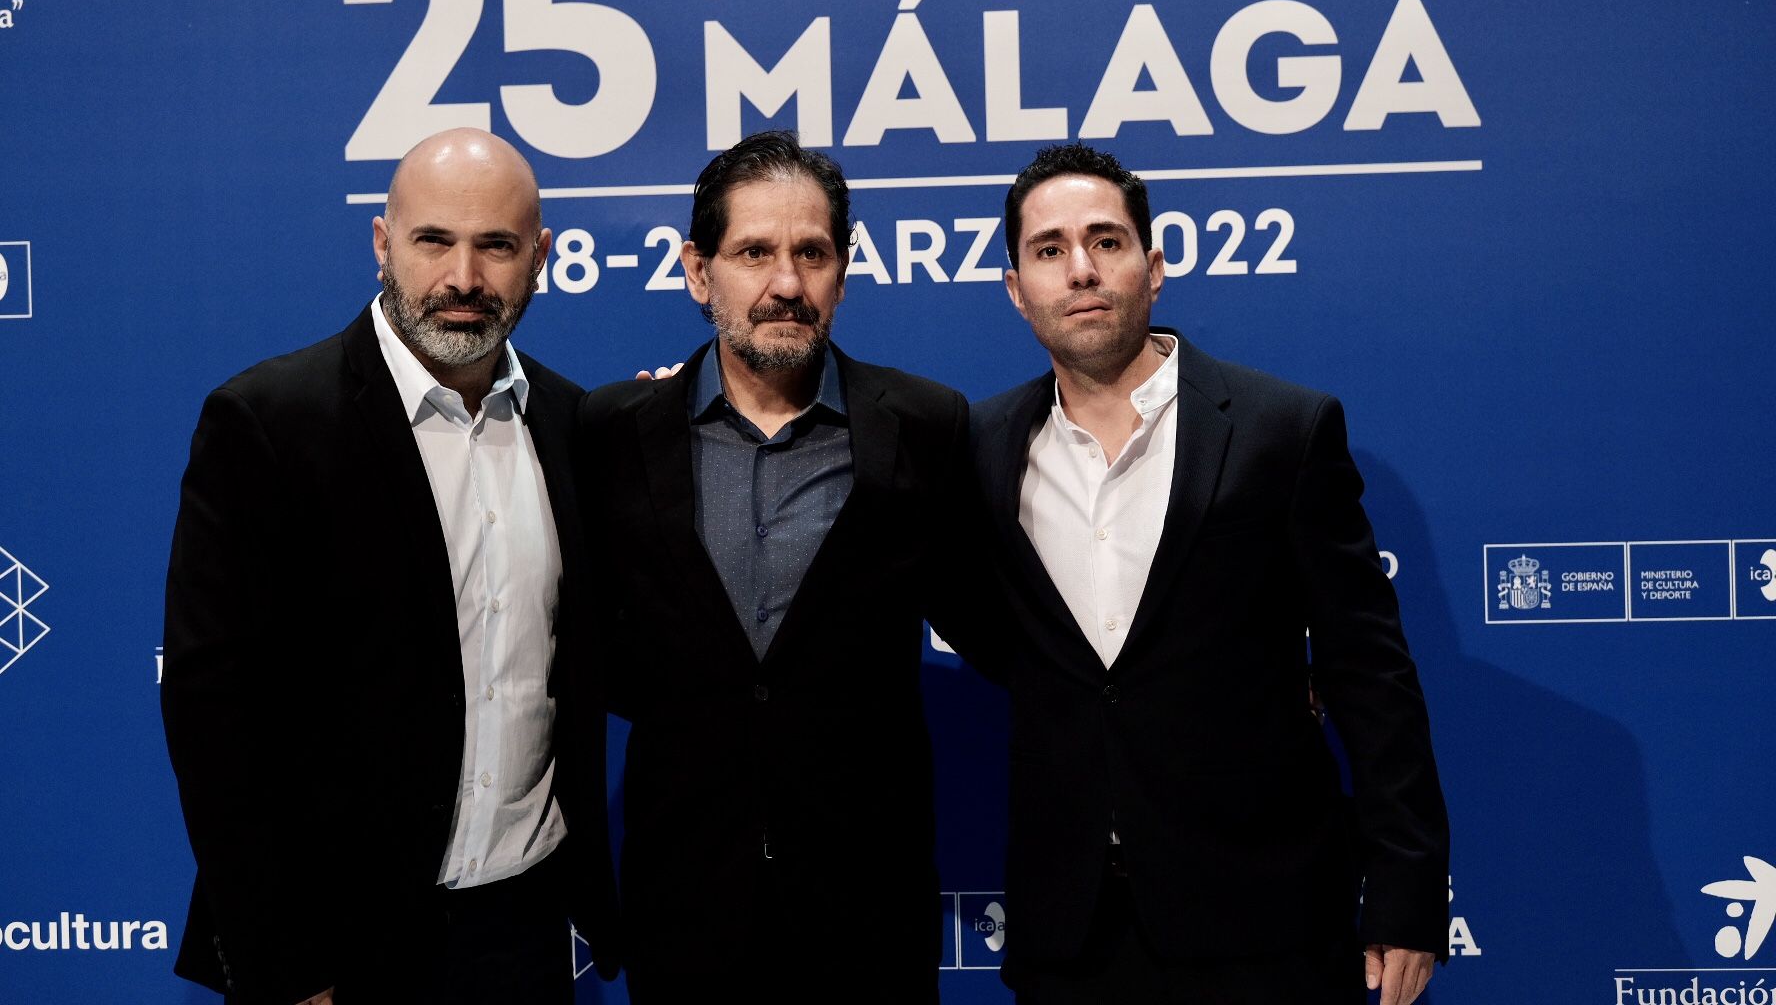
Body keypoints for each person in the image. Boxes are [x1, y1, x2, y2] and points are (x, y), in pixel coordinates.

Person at [971, 143, 1448, 1005]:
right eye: (1049, 251)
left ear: (1153, 268)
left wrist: (1408, 889)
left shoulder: (1281, 429)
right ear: (1016, 288)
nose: (1080, 270)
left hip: (1266, 921)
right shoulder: (979, 446)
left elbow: (1369, 673)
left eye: (1105, 242)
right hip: (1071, 934)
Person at [160, 129, 617, 1004]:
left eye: (497, 246)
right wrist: (288, 967)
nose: (464, 279)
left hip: (523, 932)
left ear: (541, 258)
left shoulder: (574, 423)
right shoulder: (267, 423)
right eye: (433, 240)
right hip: (337, 944)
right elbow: (213, 721)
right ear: (382, 244)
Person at [568, 129, 995, 1003]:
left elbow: (1000, 622)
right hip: (681, 895)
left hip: (867, 905)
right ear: (699, 272)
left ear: (843, 268)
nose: (787, 285)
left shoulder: (925, 424)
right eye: (754, 252)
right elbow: (583, 646)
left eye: (812, 253)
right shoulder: (612, 431)